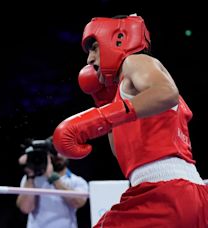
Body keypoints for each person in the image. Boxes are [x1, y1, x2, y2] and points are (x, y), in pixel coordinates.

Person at [53, 14, 208, 227]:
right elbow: (126, 157)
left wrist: (98, 117)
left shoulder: (136, 60)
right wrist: (105, 104)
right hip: (180, 193)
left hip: (165, 193)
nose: (89, 59)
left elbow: (166, 93)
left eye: (94, 47)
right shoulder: (133, 96)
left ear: (117, 39)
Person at [16, 137, 89, 228]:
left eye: (62, 151)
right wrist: (30, 176)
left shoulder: (77, 181)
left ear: (68, 154)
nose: (58, 155)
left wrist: (53, 177)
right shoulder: (31, 179)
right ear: (48, 155)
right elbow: (25, 208)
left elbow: (78, 203)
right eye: (54, 151)